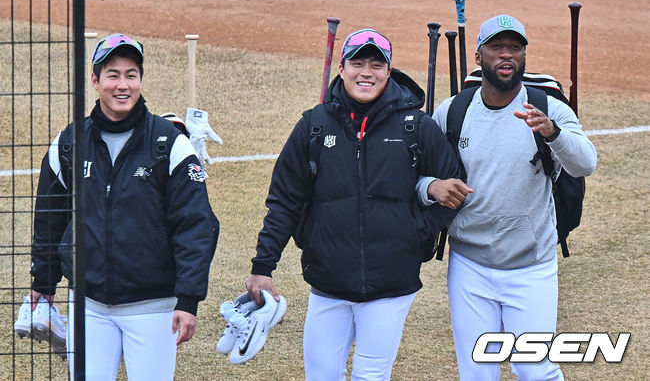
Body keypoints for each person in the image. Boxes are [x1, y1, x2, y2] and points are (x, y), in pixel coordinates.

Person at [245, 28, 463, 380]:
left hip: (391, 285)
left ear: (389, 71)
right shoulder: (312, 127)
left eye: (376, 64)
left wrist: (414, 232)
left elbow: (454, 190)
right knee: (320, 375)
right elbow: (284, 200)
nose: (366, 72)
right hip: (328, 283)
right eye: (357, 62)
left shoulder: (415, 126)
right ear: (342, 68)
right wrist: (262, 266)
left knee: (371, 375)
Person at [29, 33, 219, 380]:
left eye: (131, 74)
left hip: (153, 309)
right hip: (88, 307)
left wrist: (188, 300)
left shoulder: (169, 144)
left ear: (141, 79)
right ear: (95, 80)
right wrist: (43, 281)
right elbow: (50, 218)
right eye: (113, 75)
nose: (123, 85)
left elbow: (197, 226)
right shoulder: (70, 142)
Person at [417, 15, 597, 380]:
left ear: (524, 55)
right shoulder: (452, 111)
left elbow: (585, 163)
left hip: (532, 267)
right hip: (469, 265)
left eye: (514, 48)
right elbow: (415, 173)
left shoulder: (549, 108)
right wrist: (431, 187)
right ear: (479, 55)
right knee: (477, 372)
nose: (506, 55)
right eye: (497, 47)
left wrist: (553, 133)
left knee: (535, 370)